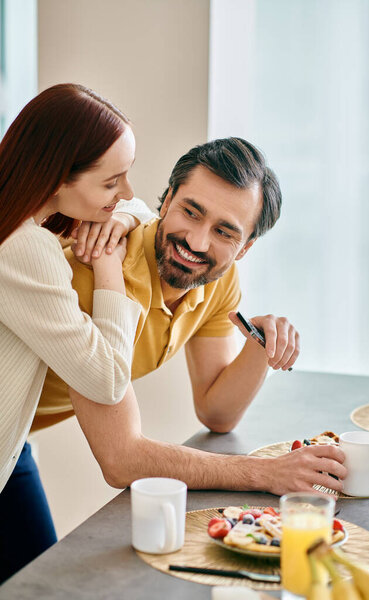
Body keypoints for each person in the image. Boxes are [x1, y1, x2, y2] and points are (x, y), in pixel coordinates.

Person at [35, 137, 346, 496]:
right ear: (167, 201)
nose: (197, 242)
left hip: (13, 443)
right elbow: (121, 459)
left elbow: (217, 413)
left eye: (223, 231)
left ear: (245, 247)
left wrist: (261, 344)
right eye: (191, 212)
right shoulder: (96, 268)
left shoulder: (219, 280)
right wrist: (266, 473)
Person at [0, 83, 154, 582]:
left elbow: (144, 208)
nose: (126, 192)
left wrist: (120, 215)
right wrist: (109, 267)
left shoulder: (33, 222)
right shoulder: (24, 249)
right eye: (113, 183)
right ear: (58, 177)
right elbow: (108, 378)